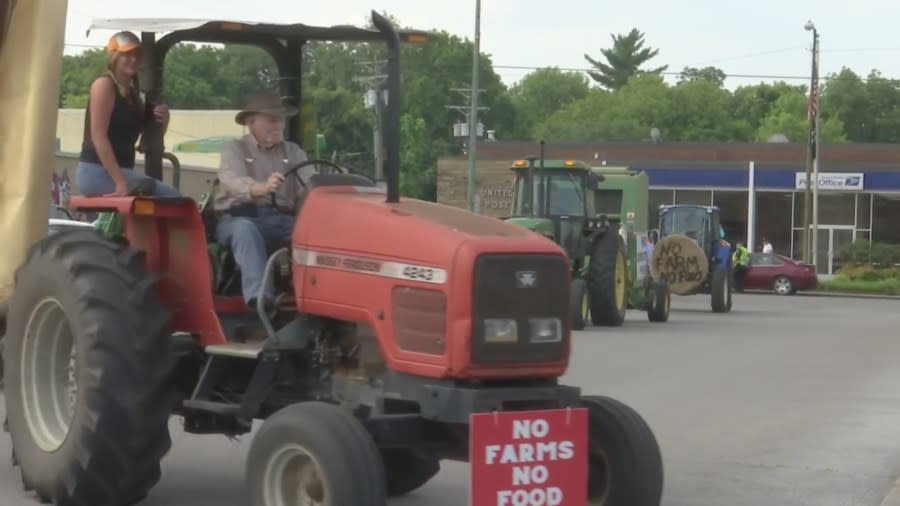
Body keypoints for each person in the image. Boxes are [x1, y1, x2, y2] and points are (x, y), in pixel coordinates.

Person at [213, 91, 310, 308]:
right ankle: (260, 299)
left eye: (281, 119)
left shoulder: (293, 152)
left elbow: (310, 182)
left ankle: (317, 297)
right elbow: (232, 182)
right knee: (245, 230)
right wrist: (261, 187)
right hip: (237, 217)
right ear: (250, 122)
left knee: (315, 232)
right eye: (271, 119)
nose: (278, 125)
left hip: (279, 218)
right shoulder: (234, 149)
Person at [76, 31, 180, 198]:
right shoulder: (104, 85)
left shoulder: (133, 94)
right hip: (96, 171)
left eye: (137, 54)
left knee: (155, 202)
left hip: (123, 171)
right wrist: (120, 183)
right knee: (172, 198)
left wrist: (164, 120)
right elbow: (98, 137)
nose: (133, 59)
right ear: (114, 56)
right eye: (127, 54)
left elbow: (147, 143)